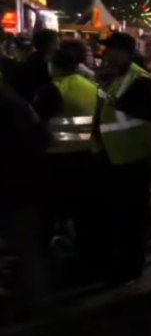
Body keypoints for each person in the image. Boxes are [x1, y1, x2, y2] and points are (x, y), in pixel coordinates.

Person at [90, 32, 151, 285]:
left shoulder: (139, 79)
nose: (105, 53)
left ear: (124, 52)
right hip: (117, 157)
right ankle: (123, 265)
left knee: (132, 219)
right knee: (121, 216)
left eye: (110, 49)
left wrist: (124, 104)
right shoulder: (118, 76)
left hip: (133, 159)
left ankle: (130, 269)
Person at [32, 42, 100, 272]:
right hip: (86, 154)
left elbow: (37, 120)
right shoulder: (90, 86)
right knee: (82, 209)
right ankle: (86, 252)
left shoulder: (53, 88)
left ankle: (44, 255)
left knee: (49, 209)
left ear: (55, 66)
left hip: (57, 156)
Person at [0, 79, 52, 311]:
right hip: (21, 185)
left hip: (14, 186)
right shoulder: (16, 103)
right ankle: (41, 298)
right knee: (30, 248)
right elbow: (42, 139)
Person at [10, 28, 58, 102]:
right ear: (50, 44)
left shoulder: (24, 63)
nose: (59, 45)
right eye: (56, 42)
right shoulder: (51, 66)